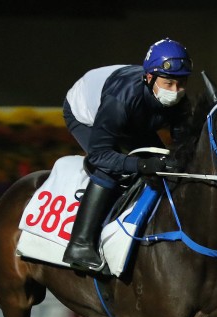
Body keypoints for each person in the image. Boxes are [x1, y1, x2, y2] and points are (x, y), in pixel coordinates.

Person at [61, 38, 194, 271]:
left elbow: (183, 151)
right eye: (169, 83)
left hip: (136, 119)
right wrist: (142, 165)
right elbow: (100, 156)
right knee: (110, 169)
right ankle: (80, 244)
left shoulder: (181, 102)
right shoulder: (119, 101)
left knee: (163, 163)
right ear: (149, 77)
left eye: (181, 83)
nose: (176, 91)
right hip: (86, 114)